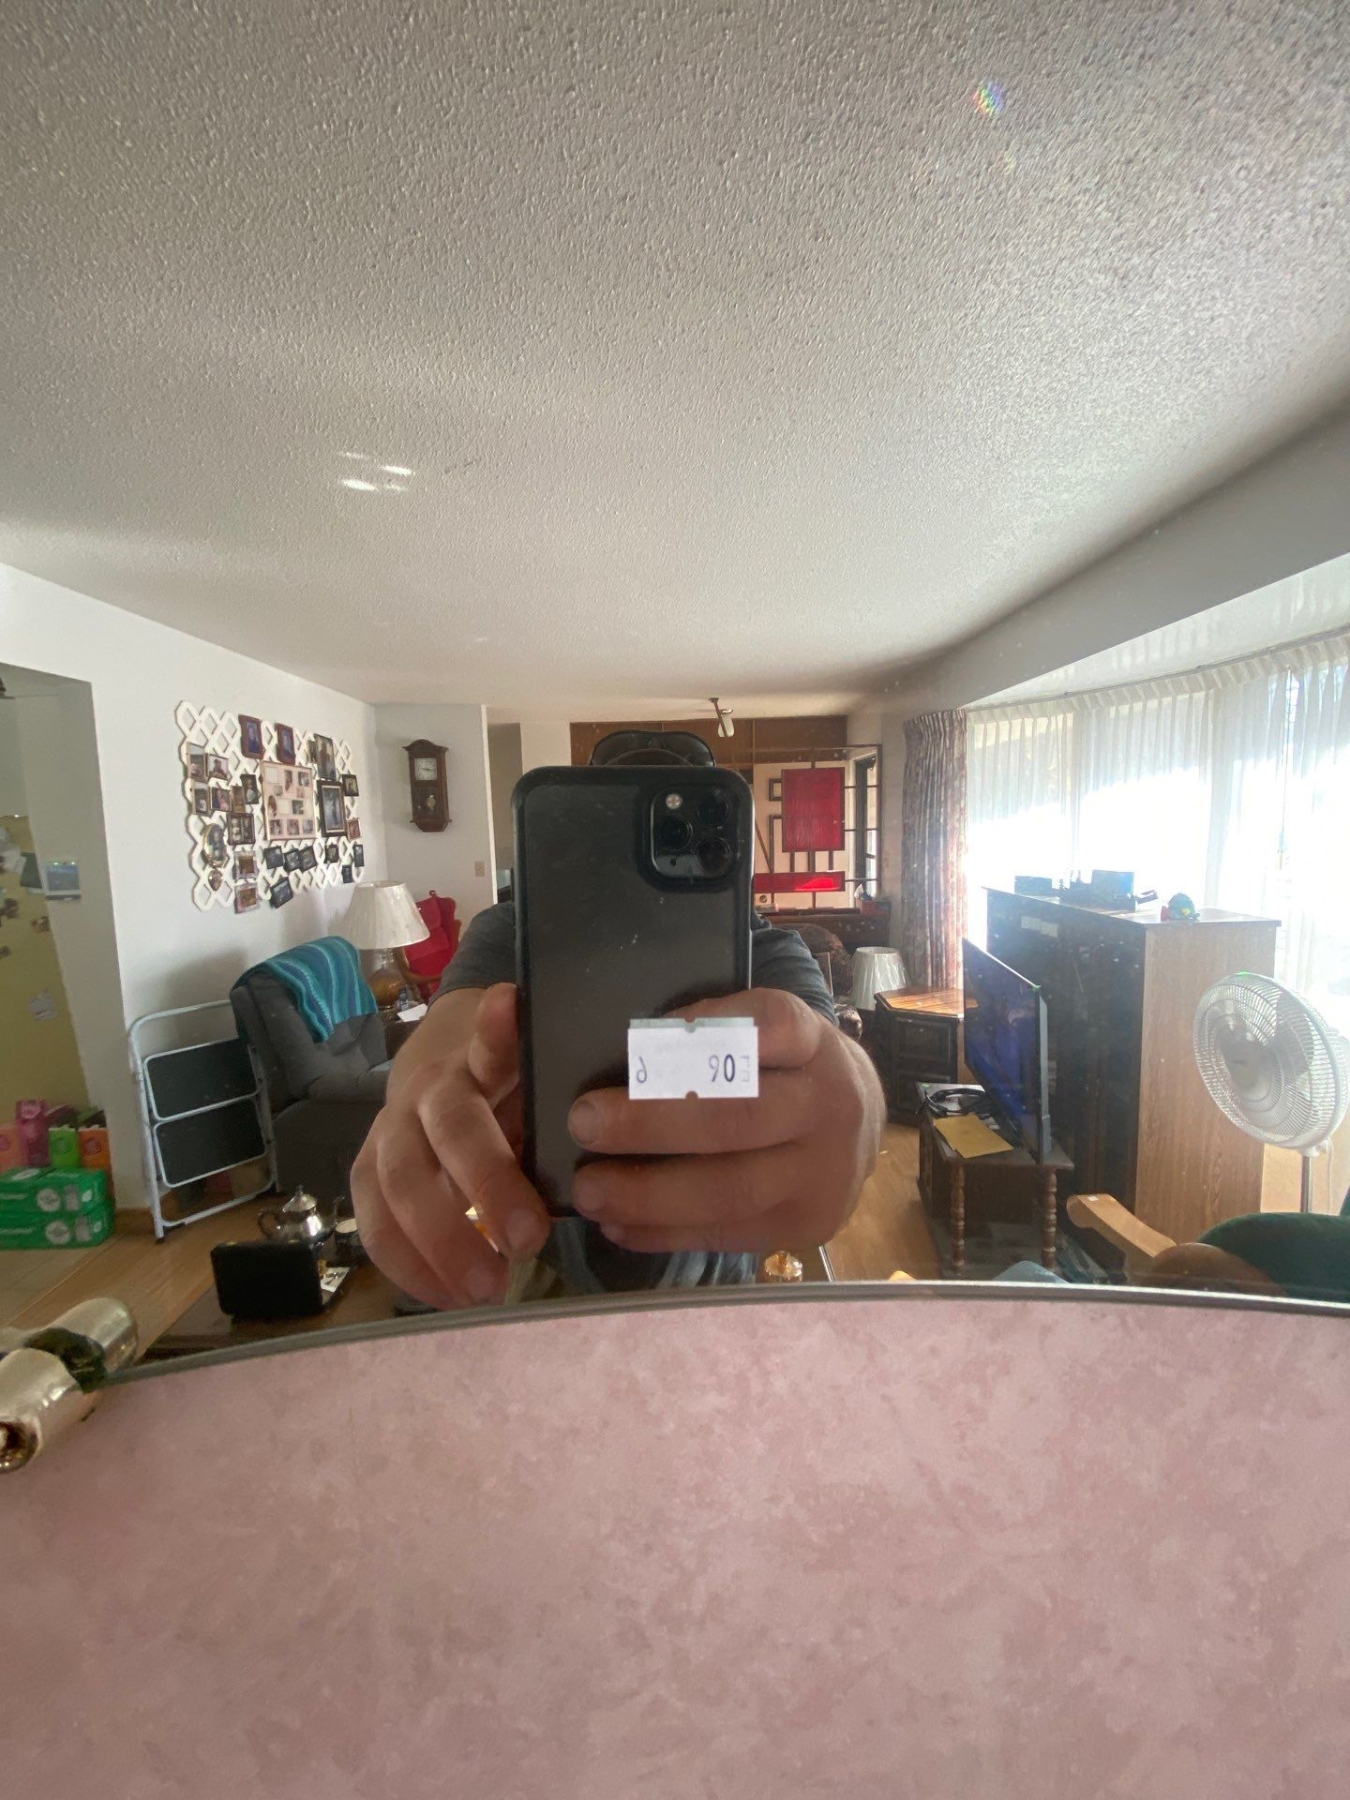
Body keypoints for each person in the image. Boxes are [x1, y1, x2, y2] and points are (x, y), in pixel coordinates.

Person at [351, 731, 886, 1306]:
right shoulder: (515, 928)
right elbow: (449, 1034)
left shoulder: (771, 950)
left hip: (716, 1275)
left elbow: (825, 1056)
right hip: (548, 1260)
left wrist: (859, 1098)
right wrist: (426, 1091)